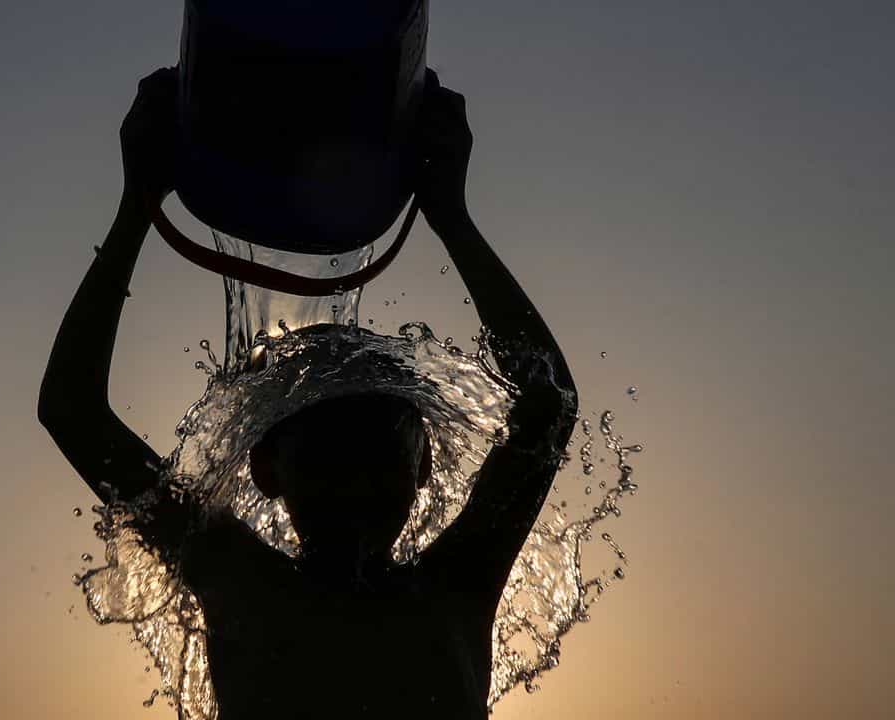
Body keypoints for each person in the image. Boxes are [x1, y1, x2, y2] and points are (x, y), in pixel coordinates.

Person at [38, 66, 577, 720]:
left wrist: (452, 216)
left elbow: (549, 407)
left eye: (378, 458)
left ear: (424, 468)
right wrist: (134, 207)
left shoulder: (451, 586)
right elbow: (71, 412)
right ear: (266, 468)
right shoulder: (243, 579)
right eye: (328, 461)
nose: (354, 486)